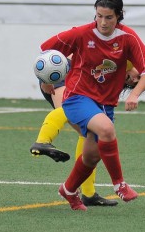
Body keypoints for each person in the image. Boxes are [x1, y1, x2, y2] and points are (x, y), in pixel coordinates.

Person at [35, 0, 145, 211]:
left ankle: (68, 190)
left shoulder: (128, 38)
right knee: (107, 130)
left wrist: (135, 94)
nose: (102, 22)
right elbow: (47, 49)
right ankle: (120, 184)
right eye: (99, 16)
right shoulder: (81, 33)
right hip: (77, 97)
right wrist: (46, 79)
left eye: (108, 17)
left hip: (105, 105)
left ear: (119, 16)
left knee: (91, 158)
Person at [31, 79, 118, 207]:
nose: (134, 79)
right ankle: (42, 141)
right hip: (63, 75)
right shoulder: (130, 62)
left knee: (89, 134)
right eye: (135, 77)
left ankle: (89, 194)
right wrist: (47, 79)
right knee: (67, 109)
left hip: (76, 79)